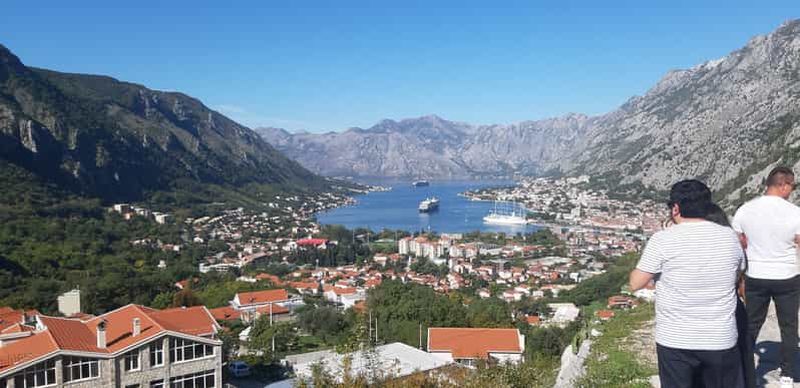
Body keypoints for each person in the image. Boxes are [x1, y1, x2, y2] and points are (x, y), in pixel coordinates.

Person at [630, 180, 745, 388]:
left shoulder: (662, 239)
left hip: (675, 338)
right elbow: (738, 273)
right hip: (719, 337)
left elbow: (635, 283)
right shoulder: (729, 237)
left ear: (675, 208)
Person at [732, 166, 800, 387]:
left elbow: (738, 243)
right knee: (788, 327)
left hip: (756, 274)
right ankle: (787, 375)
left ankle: (743, 370)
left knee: (751, 325)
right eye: (792, 186)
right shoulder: (795, 212)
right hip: (787, 276)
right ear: (784, 185)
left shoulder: (745, 210)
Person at [706, 203, 756, 388]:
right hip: (734, 308)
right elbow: (742, 281)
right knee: (742, 360)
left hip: (712, 312)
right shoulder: (732, 247)